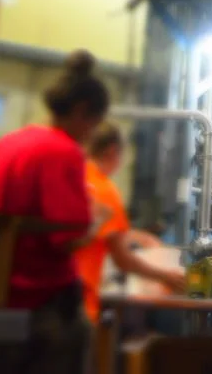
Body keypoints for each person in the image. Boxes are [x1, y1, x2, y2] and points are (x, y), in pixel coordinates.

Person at [0, 50, 109, 374]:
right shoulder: (62, 151)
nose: (91, 134)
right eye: (94, 124)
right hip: (43, 302)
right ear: (81, 111)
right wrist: (97, 221)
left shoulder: (9, 143)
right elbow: (65, 239)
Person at [75, 122, 185, 323]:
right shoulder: (105, 191)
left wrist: (137, 236)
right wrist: (165, 276)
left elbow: (93, 229)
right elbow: (123, 259)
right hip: (79, 300)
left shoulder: (74, 176)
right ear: (112, 151)